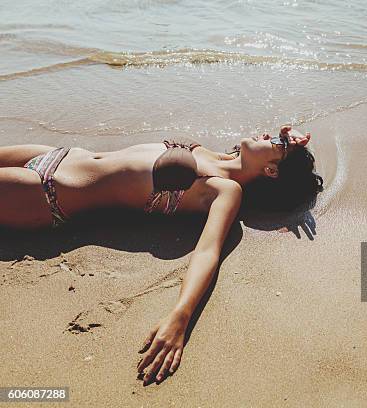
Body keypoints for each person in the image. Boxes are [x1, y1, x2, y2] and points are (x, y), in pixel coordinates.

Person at [0, 125, 323, 384]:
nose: (269, 134)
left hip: (44, 192)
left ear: (271, 171)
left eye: (278, 144)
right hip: (56, 156)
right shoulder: (215, 155)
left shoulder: (225, 190)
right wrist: (287, 140)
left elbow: (208, 251)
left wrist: (180, 317)